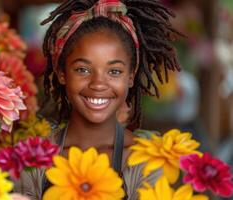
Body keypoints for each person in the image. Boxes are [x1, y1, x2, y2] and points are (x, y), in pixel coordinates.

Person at [15, 0, 181, 199]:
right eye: (83, 70)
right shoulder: (34, 158)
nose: (98, 84)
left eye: (114, 71)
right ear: (61, 73)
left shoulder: (146, 160)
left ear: (131, 76)